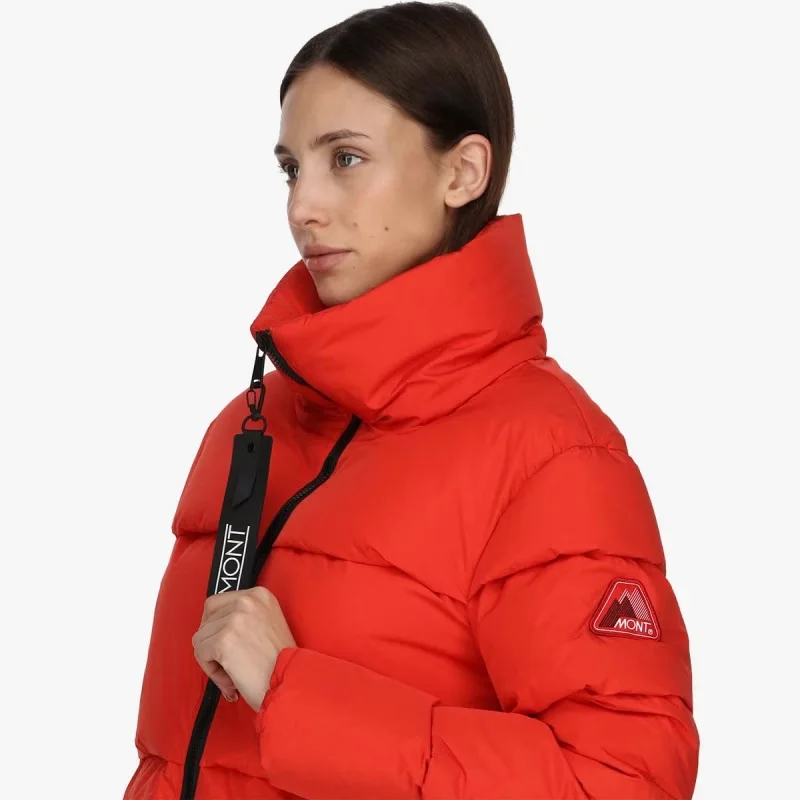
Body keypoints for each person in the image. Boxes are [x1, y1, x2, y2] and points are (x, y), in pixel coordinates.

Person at [123, 3, 700, 798]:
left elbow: (623, 781)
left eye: (346, 159)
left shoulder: (551, 456)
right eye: (291, 168)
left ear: (463, 173)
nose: (302, 207)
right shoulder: (249, 426)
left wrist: (302, 696)